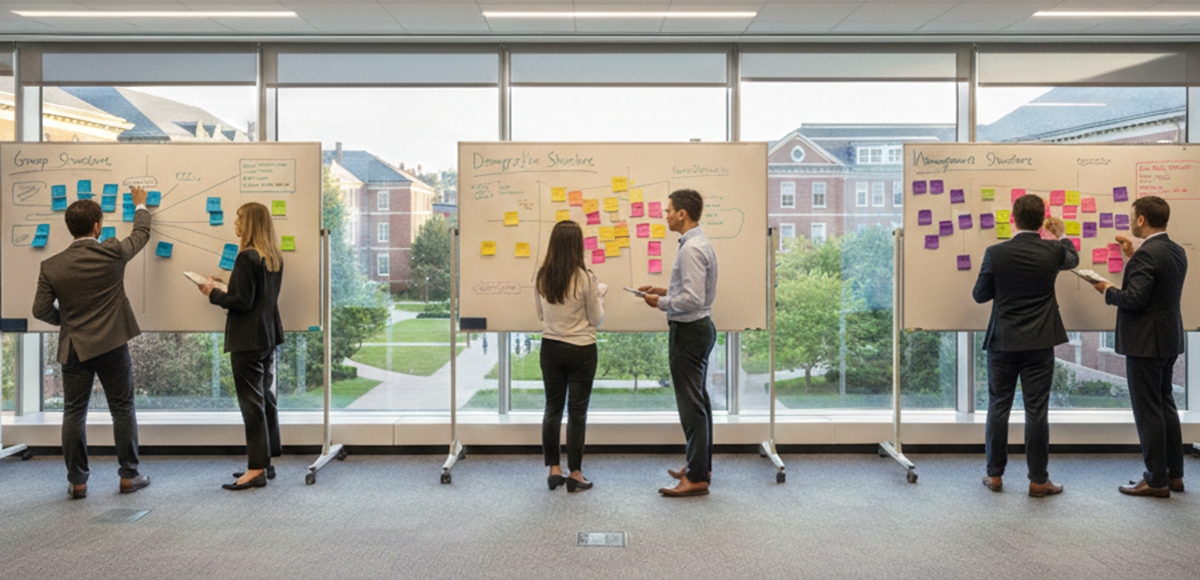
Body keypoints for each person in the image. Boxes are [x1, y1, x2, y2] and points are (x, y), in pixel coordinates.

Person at [32, 187, 153, 499]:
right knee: (122, 409)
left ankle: (78, 482)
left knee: (74, 412)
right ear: (97, 226)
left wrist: (68, 322)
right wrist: (140, 205)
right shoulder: (111, 251)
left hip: (75, 347)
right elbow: (141, 234)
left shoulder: (52, 265)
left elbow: (40, 310)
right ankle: (129, 476)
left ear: (70, 228)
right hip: (112, 344)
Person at [972, 194, 1077, 498]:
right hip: (1040, 343)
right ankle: (1038, 480)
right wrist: (1061, 234)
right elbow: (1073, 259)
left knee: (998, 406)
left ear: (1011, 219)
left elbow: (980, 295)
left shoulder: (996, 253)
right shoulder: (1053, 251)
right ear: (1042, 221)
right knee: (1037, 410)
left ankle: (994, 476)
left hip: (1003, 341)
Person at [1092, 196, 1187, 498]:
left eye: (1132, 216)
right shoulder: (1174, 250)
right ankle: (1173, 475)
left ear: (1142, 219)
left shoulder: (1148, 255)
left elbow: (1135, 299)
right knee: (1165, 406)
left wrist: (1106, 289)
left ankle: (1155, 480)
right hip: (1168, 340)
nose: (1131, 221)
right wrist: (1133, 256)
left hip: (1145, 344)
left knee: (1148, 412)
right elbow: (1156, 289)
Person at [200, 202, 285, 491]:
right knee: (264, 399)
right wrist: (225, 285)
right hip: (267, 336)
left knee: (252, 405)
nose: (235, 225)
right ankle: (265, 462)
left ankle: (256, 469)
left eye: (238, 220)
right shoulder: (272, 257)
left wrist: (212, 293)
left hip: (247, 339)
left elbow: (241, 302)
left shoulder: (246, 257)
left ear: (248, 224)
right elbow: (254, 295)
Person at [639, 189, 718, 498]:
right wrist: (664, 291)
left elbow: (692, 299)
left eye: (669, 210)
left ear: (682, 214)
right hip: (697, 328)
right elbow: (691, 291)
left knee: (692, 408)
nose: (666, 215)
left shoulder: (691, 249)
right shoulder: (698, 244)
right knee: (699, 402)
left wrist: (659, 303)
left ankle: (697, 478)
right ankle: (699, 466)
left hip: (689, 332)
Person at [535, 220, 605, 492]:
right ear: (577, 246)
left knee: (552, 408)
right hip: (581, 349)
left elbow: (540, 315)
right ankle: (575, 473)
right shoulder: (585, 278)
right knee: (577, 412)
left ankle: (554, 469)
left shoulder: (542, 276)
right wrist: (600, 296)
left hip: (551, 347)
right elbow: (596, 319)